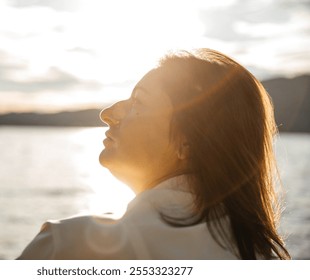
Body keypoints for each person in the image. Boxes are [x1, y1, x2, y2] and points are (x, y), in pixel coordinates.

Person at [17, 48, 291, 260]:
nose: (108, 114)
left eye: (138, 102)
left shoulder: (69, 247)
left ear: (187, 143)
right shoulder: (263, 258)